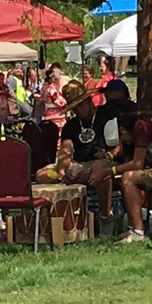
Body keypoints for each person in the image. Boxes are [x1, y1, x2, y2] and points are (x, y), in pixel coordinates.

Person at [96, 113, 152, 244]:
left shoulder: (142, 127)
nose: (125, 143)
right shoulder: (146, 123)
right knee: (129, 177)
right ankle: (133, 227)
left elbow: (137, 163)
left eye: (123, 139)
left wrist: (109, 171)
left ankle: (138, 231)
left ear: (122, 130)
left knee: (129, 178)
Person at [48, 79, 116, 230]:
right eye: (74, 108)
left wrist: (110, 154)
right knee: (42, 175)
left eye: (80, 105)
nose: (78, 110)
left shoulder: (106, 116)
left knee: (101, 170)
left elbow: (121, 145)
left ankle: (105, 216)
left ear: (88, 100)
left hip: (104, 163)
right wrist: (61, 169)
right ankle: (60, 222)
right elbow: (65, 149)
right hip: (78, 166)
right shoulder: (71, 126)